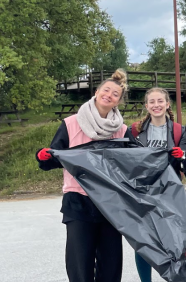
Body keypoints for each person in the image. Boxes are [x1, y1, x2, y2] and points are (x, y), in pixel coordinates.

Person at [36, 69, 138, 282]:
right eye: (106, 90)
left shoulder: (122, 130)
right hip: (78, 202)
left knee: (110, 265)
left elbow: (138, 161)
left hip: (111, 204)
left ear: (118, 102)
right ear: (97, 91)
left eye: (115, 94)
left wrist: (170, 157)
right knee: (79, 264)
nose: (109, 95)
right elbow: (55, 158)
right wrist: (44, 157)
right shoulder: (70, 123)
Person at [130, 87, 186, 282]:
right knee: (143, 240)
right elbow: (128, 161)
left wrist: (180, 156)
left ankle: (175, 277)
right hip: (143, 192)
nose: (156, 105)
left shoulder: (177, 130)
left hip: (170, 191)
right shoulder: (134, 130)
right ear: (146, 106)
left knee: (174, 238)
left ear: (167, 104)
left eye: (160, 101)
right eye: (152, 102)